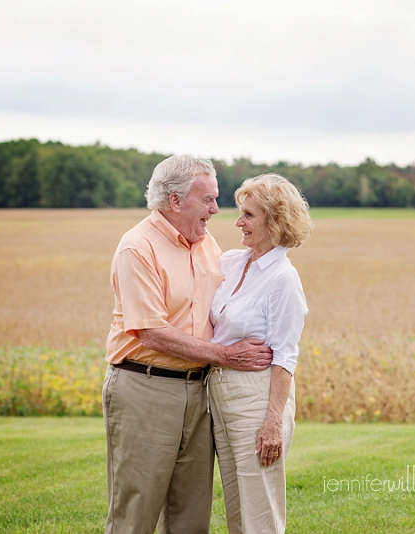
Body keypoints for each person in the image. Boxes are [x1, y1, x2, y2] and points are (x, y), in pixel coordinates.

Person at [102, 155, 273, 534]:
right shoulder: (137, 248)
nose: (216, 209)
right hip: (145, 389)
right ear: (175, 201)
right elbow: (151, 332)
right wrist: (228, 356)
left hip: (200, 393)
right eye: (208, 199)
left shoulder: (208, 244)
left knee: (191, 519)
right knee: (136, 514)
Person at [207, 173, 312, 534]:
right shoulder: (232, 261)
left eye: (249, 215)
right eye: (241, 213)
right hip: (219, 395)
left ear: (275, 220)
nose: (238, 222)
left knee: (260, 513)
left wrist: (272, 423)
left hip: (258, 399)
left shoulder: (283, 278)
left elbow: (285, 356)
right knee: (237, 507)